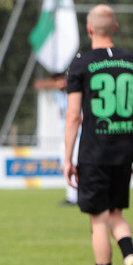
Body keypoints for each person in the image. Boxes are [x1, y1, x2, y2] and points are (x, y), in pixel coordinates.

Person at [64, 4, 133, 265]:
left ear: (89, 30)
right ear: (115, 28)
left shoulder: (81, 63)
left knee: (98, 219)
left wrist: (67, 159)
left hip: (94, 152)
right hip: (125, 151)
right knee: (116, 214)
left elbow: (74, 116)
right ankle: (130, 256)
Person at [53, 71, 79, 206]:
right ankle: (72, 196)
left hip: (77, 134)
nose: (60, 83)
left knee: (75, 164)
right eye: (57, 80)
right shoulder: (57, 95)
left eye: (62, 79)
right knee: (67, 164)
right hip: (64, 134)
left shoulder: (74, 93)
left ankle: (78, 195)